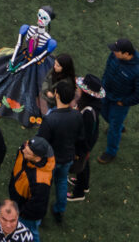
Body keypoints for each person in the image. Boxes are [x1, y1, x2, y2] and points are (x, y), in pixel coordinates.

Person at [37, 81, 82, 225]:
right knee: (62, 183)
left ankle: (41, 213)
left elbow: (41, 142)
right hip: (67, 157)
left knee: (44, 187)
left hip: (51, 160)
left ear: (57, 95)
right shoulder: (77, 116)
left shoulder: (50, 119)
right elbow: (80, 137)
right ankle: (59, 210)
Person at [98, 38, 139, 164]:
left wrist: (124, 102)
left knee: (113, 128)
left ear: (126, 54)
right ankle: (120, 127)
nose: (113, 52)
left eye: (117, 51)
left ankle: (111, 152)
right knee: (103, 113)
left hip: (119, 103)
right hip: (105, 93)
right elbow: (107, 69)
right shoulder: (114, 56)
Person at [7, 137, 54, 241]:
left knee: (30, 232)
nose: (23, 150)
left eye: (27, 152)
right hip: (18, 201)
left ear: (37, 158)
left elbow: (36, 206)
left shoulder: (41, 181)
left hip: (27, 213)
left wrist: (22, 213)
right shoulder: (28, 147)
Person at [67, 74, 104, 203]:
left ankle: (79, 192)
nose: (77, 89)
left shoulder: (87, 112)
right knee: (84, 163)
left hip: (83, 144)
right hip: (88, 141)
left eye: (80, 88)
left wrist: (78, 151)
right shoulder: (93, 105)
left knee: (80, 164)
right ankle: (84, 184)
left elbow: (84, 134)